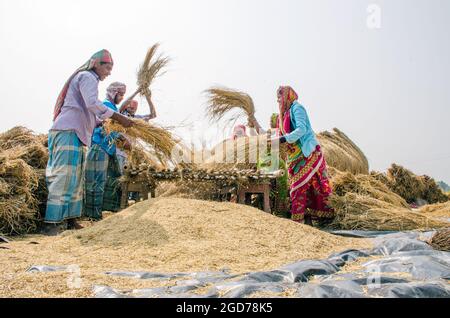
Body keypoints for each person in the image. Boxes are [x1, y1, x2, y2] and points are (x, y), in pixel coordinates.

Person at [43, 49, 133, 235]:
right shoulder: (87, 77)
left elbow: (91, 112)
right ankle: (52, 223)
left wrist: (109, 122)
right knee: (64, 175)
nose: (109, 72)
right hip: (67, 130)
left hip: (78, 133)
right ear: (96, 64)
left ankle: (70, 219)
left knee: (75, 179)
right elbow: (92, 104)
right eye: (107, 67)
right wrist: (119, 117)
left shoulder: (90, 80)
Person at [272, 86, 334, 225]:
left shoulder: (297, 108)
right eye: (277, 98)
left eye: (280, 97)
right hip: (294, 158)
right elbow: (278, 133)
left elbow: (302, 129)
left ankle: (300, 222)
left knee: (305, 188)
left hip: (308, 154)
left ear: (288, 96)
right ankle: (306, 222)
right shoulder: (282, 115)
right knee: (304, 188)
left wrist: (283, 139)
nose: (278, 101)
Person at [84, 82, 132, 220]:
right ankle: (93, 215)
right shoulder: (105, 105)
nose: (122, 97)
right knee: (95, 181)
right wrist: (122, 139)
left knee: (113, 179)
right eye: (121, 94)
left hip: (109, 149)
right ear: (113, 93)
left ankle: (110, 210)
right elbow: (107, 128)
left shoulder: (113, 107)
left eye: (123, 94)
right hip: (100, 146)